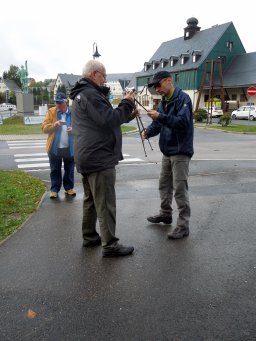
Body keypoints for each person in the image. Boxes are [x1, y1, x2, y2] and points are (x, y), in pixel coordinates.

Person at [70, 60, 136, 257]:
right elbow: (108, 120)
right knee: (105, 202)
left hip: (87, 155)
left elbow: (102, 121)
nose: (105, 79)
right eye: (103, 75)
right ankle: (110, 245)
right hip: (98, 157)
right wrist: (127, 102)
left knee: (90, 200)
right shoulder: (91, 94)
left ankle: (90, 237)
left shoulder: (81, 95)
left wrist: (128, 114)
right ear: (93, 74)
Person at [142, 71, 194, 239]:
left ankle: (183, 225)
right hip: (167, 151)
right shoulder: (164, 101)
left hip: (180, 152)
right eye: (155, 87)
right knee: (164, 185)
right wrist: (148, 132)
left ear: (168, 81)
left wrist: (160, 116)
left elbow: (182, 122)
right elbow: (159, 124)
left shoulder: (183, 99)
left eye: (158, 85)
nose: (157, 90)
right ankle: (165, 214)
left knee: (179, 189)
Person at [42, 92, 76, 199]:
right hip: (54, 148)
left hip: (70, 147)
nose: (58, 105)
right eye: (56, 102)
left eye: (60, 103)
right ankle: (54, 189)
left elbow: (82, 127)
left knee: (69, 169)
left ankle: (68, 188)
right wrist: (54, 125)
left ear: (66, 102)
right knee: (55, 169)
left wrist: (75, 130)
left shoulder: (74, 112)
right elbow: (44, 128)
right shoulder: (51, 112)